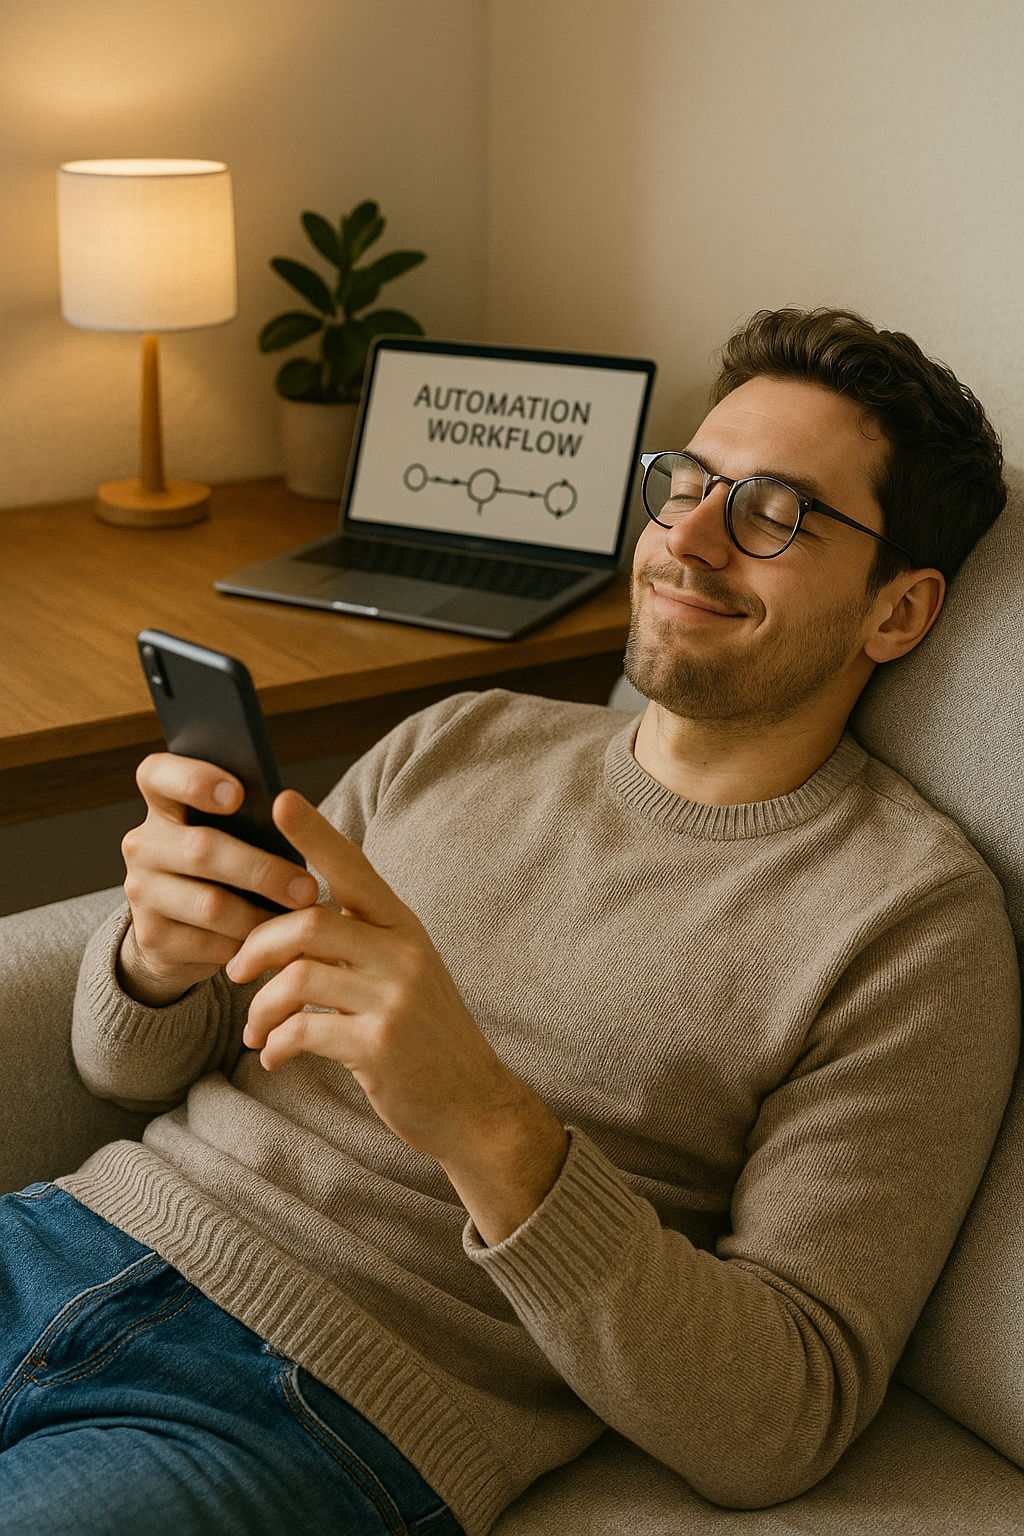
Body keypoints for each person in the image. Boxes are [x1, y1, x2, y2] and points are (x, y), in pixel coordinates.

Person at [1, 308, 1019, 1536]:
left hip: (315, 1399)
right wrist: (159, 961)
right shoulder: (463, 734)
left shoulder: (910, 925)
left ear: (897, 613)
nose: (687, 539)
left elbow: (779, 1421)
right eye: (686, 483)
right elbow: (124, 1072)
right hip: (63, 1233)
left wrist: (485, 1124)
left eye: (774, 512)